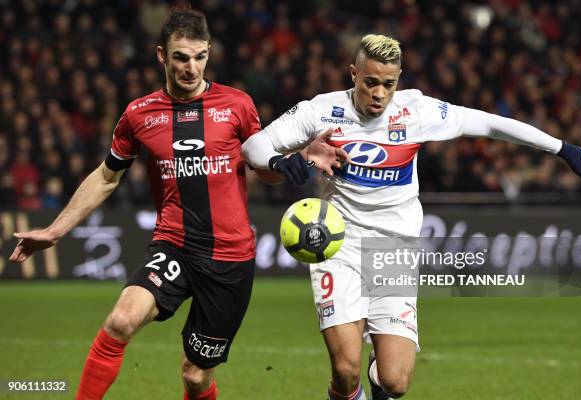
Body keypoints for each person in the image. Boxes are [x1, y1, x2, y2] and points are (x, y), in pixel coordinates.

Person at [241, 34, 581, 400]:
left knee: (395, 382)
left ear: (399, 79)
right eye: (370, 82)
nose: (379, 93)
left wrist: (561, 147)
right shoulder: (322, 111)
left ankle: (376, 377)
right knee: (346, 372)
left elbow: (488, 123)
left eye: (388, 84)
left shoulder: (415, 111)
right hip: (339, 246)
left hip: (392, 250)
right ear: (353, 74)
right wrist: (284, 161)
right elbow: (253, 145)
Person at [9, 8, 340, 400]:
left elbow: (260, 165)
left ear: (209, 53)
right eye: (181, 57)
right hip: (175, 245)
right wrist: (53, 231)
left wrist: (292, 160)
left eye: (199, 56)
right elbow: (105, 176)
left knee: (195, 376)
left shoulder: (237, 105)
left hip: (229, 260)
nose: (191, 67)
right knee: (120, 321)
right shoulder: (139, 114)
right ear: (161, 55)